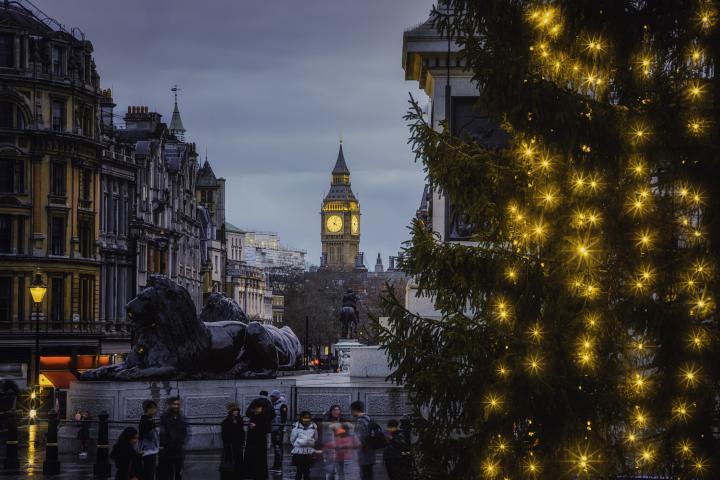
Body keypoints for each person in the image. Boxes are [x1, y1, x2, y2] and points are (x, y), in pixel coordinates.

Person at [244, 391, 274, 480]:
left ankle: (250, 472)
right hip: (263, 431)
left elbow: (247, 413)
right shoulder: (268, 403)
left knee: (251, 452)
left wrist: (255, 413)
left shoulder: (255, 402)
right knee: (262, 454)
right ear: (267, 395)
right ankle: (261, 473)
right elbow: (272, 415)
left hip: (253, 431)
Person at [158, 397, 187, 480]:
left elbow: (184, 432)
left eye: (178, 404)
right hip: (168, 451)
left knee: (179, 474)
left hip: (178, 451)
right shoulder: (164, 418)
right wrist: (169, 444)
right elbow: (162, 434)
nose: (176, 406)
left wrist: (180, 443)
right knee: (167, 474)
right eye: (174, 404)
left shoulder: (181, 418)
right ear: (170, 405)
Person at [318, 405, 346, 480]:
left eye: (338, 410)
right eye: (334, 410)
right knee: (330, 469)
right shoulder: (327, 421)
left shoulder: (342, 421)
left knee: (340, 468)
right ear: (331, 411)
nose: (336, 411)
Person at [351, 401, 376, 480]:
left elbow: (359, 438)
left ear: (354, 410)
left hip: (364, 452)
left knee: (366, 474)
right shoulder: (368, 419)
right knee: (368, 473)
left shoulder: (361, 421)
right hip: (370, 451)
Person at [290, 411, 318, 480]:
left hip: (309, 451)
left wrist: (310, 443)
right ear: (301, 418)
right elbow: (292, 439)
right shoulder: (296, 427)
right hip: (299, 452)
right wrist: (299, 444)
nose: (306, 419)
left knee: (307, 472)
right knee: (299, 471)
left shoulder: (313, 427)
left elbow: (316, 438)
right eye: (304, 417)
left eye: (308, 418)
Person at [220, 402, 245, 478]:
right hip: (230, 444)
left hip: (238, 443)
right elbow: (224, 434)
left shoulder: (240, 420)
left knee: (238, 460)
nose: (236, 412)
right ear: (231, 412)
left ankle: (239, 473)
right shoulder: (226, 422)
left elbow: (242, 432)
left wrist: (243, 440)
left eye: (237, 410)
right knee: (229, 461)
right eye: (234, 410)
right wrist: (227, 442)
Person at [139, 400, 160, 480]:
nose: (155, 410)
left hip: (149, 450)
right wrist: (157, 431)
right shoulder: (147, 421)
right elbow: (150, 436)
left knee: (150, 473)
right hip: (148, 451)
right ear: (148, 409)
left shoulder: (149, 420)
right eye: (154, 408)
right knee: (149, 473)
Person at [269, 389, 288, 471]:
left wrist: (281, 428)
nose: (271, 398)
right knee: (276, 447)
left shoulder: (282, 405)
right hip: (274, 429)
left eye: (272, 397)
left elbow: (284, 418)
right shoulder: (273, 405)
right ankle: (275, 465)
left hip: (278, 430)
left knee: (278, 448)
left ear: (276, 397)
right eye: (271, 396)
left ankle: (278, 466)